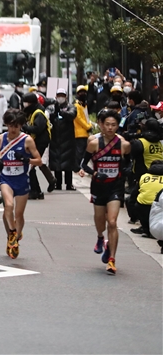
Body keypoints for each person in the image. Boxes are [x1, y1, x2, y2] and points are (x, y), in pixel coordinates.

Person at [79, 109, 131, 275]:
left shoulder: (124, 145)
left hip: (115, 187)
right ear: (100, 125)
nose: (110, 128)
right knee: (100, 220)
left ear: (118, 126)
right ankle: (101, 237)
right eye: (107, 124)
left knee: (113, 221)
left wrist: (124, 173)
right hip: (98, 186)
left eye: (113, 125)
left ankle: (112, 259)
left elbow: (129, 165)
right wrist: (94, 173)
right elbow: (83, 164)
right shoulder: (94, 143)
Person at [0, 109, 42, 259]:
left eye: (16, 126)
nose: (13, 129)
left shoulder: (27, 140)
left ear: (21, 125)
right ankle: (12, 234)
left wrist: (26, 160)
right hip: (6, 178)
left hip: (21, 178)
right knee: (8, 206)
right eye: (10, 125)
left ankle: (15, 235)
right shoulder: (0, 138)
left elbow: (39, 160)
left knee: (19, 214)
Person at [22, 93, 56, 199]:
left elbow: (37, 129)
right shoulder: (32, 112)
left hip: (40, 143)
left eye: (26, 102)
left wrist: (25, 127)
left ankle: (35, 191)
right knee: (32, 167)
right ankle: (37, 191)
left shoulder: (39, 113)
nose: (25, 105)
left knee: (31, 166)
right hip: (36, 142)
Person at [48, 88, 77, 191]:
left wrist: (60, 112)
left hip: (68, 139)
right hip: (55, 138)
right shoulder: (51, 108)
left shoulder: (71, 107)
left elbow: (72, 115)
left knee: (68, 164)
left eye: (62, 95)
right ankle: (58, 183)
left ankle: (69, 184)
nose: (60, 98)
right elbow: (47, 117)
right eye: (58, 95)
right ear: (55, 96)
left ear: (66, 97)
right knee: (57, 163)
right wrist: (54, 113)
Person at [74, 85, 92, 188]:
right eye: (81, 92)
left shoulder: (84, 105)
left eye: (84, 92)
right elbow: (79, 118)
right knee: (79, 152)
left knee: (84, 152)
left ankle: (81, 168)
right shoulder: (77, 106)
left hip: (84, 133)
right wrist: (88, 126)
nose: (83, 94)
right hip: (79, 132)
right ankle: (77, 168)